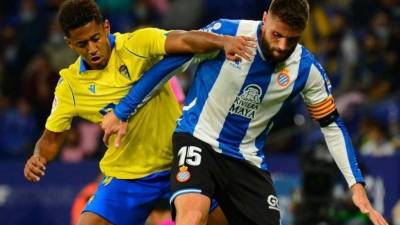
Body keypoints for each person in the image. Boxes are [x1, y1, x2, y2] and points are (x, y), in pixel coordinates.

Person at [101, 0, 389, 225]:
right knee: (192, 216)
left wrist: (356, 185)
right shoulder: (229, 33)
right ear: (265, 19)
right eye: (276, 34)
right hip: (197, 138)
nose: (281, 46)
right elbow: (168, 65)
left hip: (247, 159)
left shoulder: (307, 69)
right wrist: (124, 110)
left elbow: (332, 125)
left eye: (292, 39)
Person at [23, 0, 256, 225]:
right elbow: (52, 138)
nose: (92, 49)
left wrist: (222, 41)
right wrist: (39, 157)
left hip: (181, 162)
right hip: (128, 177)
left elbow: (184, 40)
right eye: (82, 44)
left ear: (106, 27)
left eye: (95, 38)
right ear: (70, 43)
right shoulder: (70, 86)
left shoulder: (138, 44)